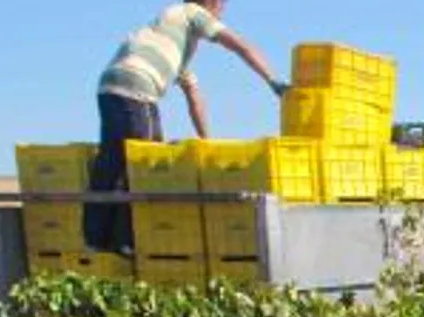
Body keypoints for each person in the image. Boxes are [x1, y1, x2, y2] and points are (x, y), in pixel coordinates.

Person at [85, 2, 287, 253]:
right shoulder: (193, 12)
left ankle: (96, 238)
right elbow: (240, 46)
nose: (222, 12)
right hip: (137, 86)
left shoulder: (170, 39)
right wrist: (273, 80)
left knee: (114, 158)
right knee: (143, 162)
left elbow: (193, 95)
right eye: (221, 6)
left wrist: (206, 140)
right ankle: (123, 241)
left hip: (111, 85)